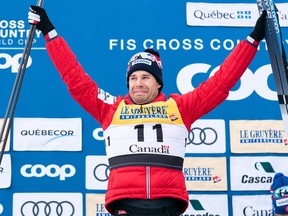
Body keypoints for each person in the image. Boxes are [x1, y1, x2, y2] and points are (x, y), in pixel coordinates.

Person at [28, 5, 267, 216]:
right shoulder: (111, 108)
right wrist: (50, 33)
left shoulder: (180, 108)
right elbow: (75, 78)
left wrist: (252, 40)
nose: (138, 83)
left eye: (145, 77)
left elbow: (222, 81)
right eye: (133, 78)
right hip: (126, 204)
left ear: (158, 83)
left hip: (167, 205)